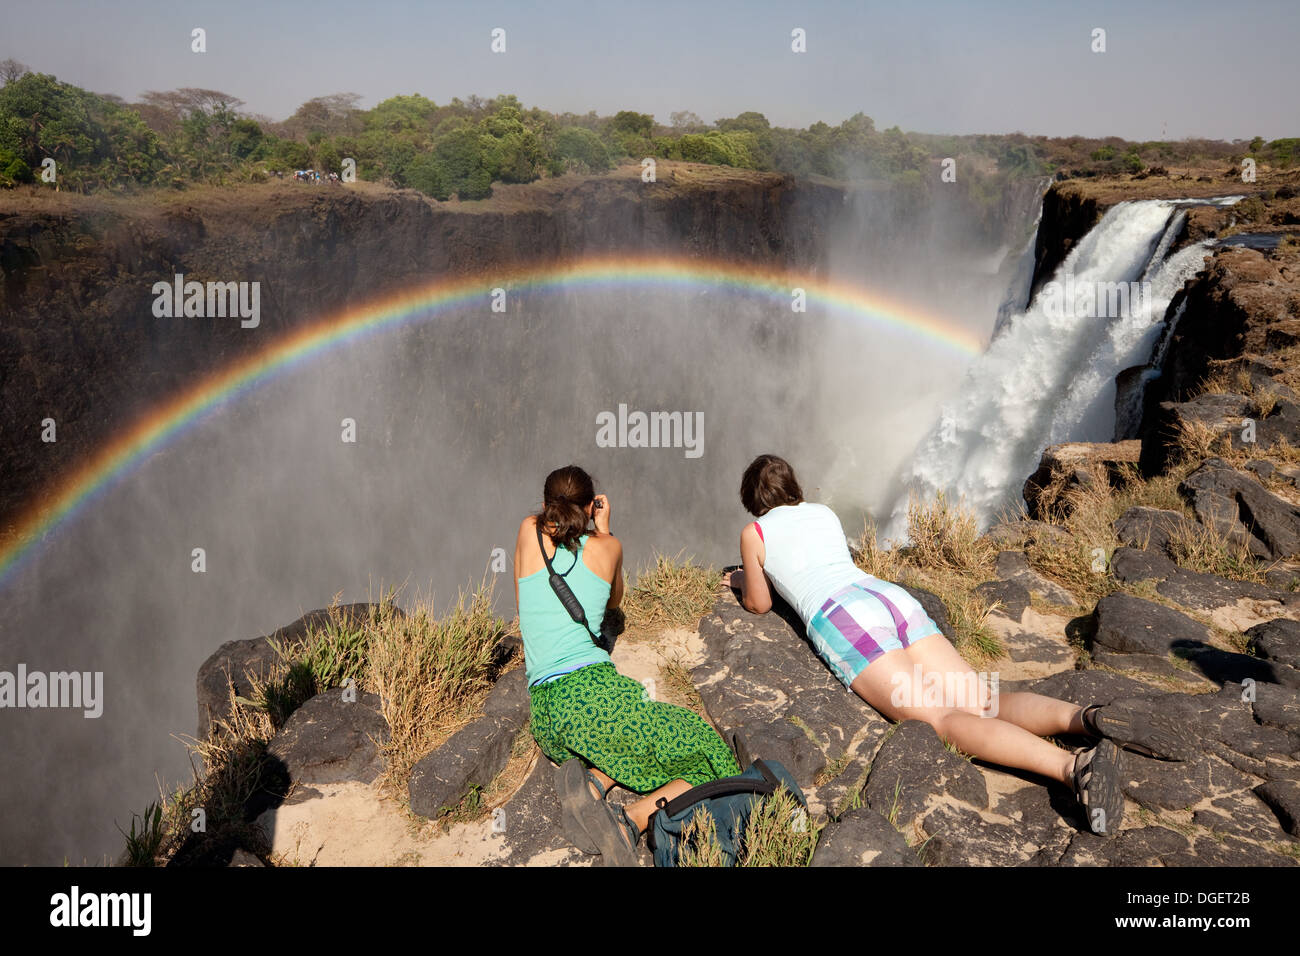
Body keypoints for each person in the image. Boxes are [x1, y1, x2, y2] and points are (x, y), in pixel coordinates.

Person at [729, 454, 1191, 837]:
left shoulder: (756, 533)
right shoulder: (823, 513)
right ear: (793, 487)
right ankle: (1087, 718)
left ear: (755, 501)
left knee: (941, 719)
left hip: (845, 618)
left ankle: (1074, 768)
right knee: (980, 699)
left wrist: (741, 575)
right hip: (888, 598)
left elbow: (758, 603)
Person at [515, 465, 741, 864]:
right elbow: (614, 600)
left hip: (547, 715)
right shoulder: (608, 547)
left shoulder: (527, 530)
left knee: (632, 730)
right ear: (590, 505)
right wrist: (604, 529)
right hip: (588, 700)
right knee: (709, 755)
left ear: (547, 504)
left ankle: (594, 782)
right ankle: (629, 822)